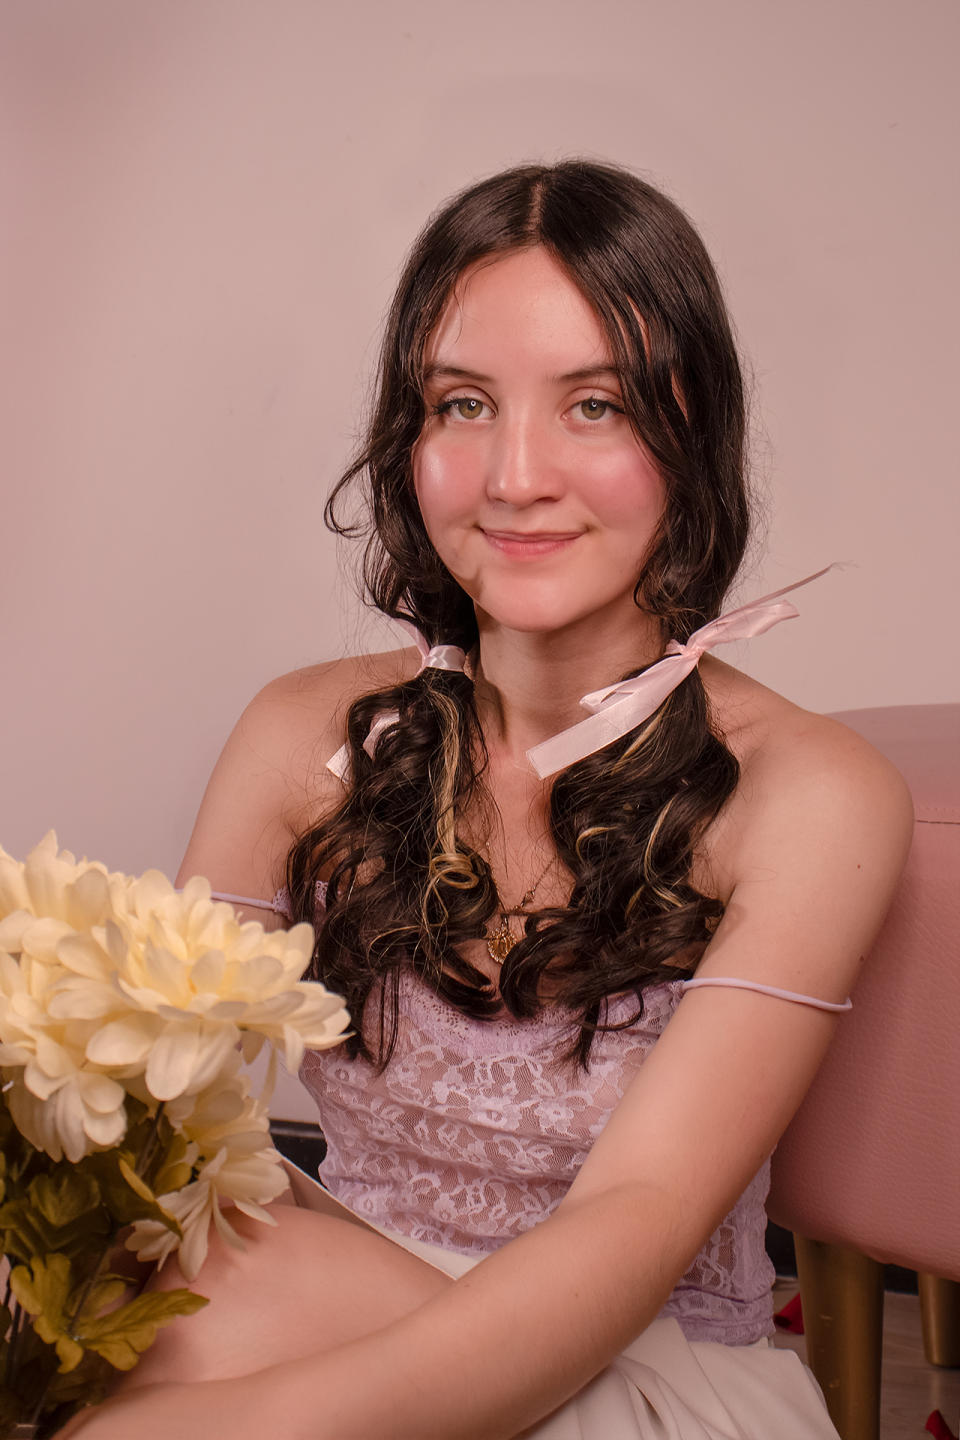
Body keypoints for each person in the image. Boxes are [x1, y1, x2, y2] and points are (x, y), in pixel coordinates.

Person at [60, 160, 913, 1440]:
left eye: (594, 406)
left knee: (188, 1335)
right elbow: (168, 1125)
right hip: (328, 1298)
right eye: (463, 403)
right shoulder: (299, 734)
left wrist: (232, 1426)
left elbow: (636, 1222)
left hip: (637, 1366)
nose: (515, 475)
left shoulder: (813, 793)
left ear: (693, 434)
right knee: (144, 1269)